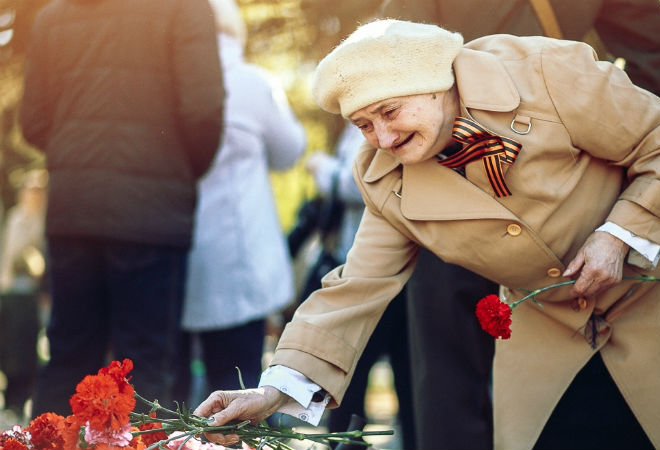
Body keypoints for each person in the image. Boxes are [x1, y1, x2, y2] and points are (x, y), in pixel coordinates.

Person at [194, 20, 660, 450]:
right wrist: (273, 389)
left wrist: (619, 234)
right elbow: (355, 287)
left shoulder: (546, 71)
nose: (385, 139)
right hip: (551, 331)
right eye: (364, 125)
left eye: (390, 111)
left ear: (435, 80)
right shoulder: (384, 177)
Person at [375, 1, 660, 448]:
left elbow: (380, 58)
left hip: (441, 193)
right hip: (557, 187)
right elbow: (654, 44)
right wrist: (599, 125)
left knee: (450, 379)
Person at [19, 0, 224, 417]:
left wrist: (79, 157)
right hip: (152, 214)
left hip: (75, 210)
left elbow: (34, 122)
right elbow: (203, 113)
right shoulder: (184, 9)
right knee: (145, 367)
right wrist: (176, 169)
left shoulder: (52, 17)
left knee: (67, 358)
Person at [173, 0, 306, 404]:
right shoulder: (253, 82)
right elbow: (290, 151)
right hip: (239, 264)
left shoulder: (165, 84)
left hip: (175, 256)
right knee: (237, 385)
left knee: (171, 392)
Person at [306, 123, 415, 448]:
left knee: (408, 380)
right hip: (358, 265)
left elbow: (365, 184)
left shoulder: (388, 119)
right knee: (349, 383)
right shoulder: (355, 122)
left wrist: (324, 170)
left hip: (394, 275)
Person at [0, 169, 48, 420]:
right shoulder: (17, 218)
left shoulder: (43, 218)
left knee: (28, 350)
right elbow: (9, 255)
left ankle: (20, 401)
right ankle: (12, 400)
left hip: (32, 292)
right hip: (11, 291)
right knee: (12, 348)